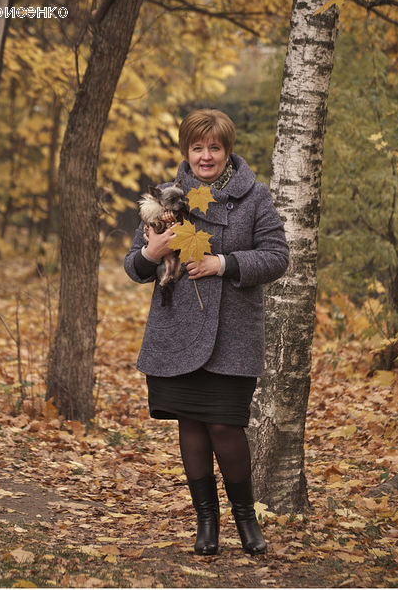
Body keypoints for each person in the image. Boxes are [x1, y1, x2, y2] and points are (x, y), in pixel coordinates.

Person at [124, 109, 289, 555]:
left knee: (225, 427)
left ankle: (246, 520)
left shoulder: (254, 197)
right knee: (191, 425)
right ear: (186, 151)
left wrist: (223, 263)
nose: (206, 156)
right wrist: (151, 252)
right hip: (176, 330)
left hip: (231, 336)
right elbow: (133, 267)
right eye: (197, 147)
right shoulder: (165, 198)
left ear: (227, 150)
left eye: (214, 147)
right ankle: (206, 523)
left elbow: (277, 257)